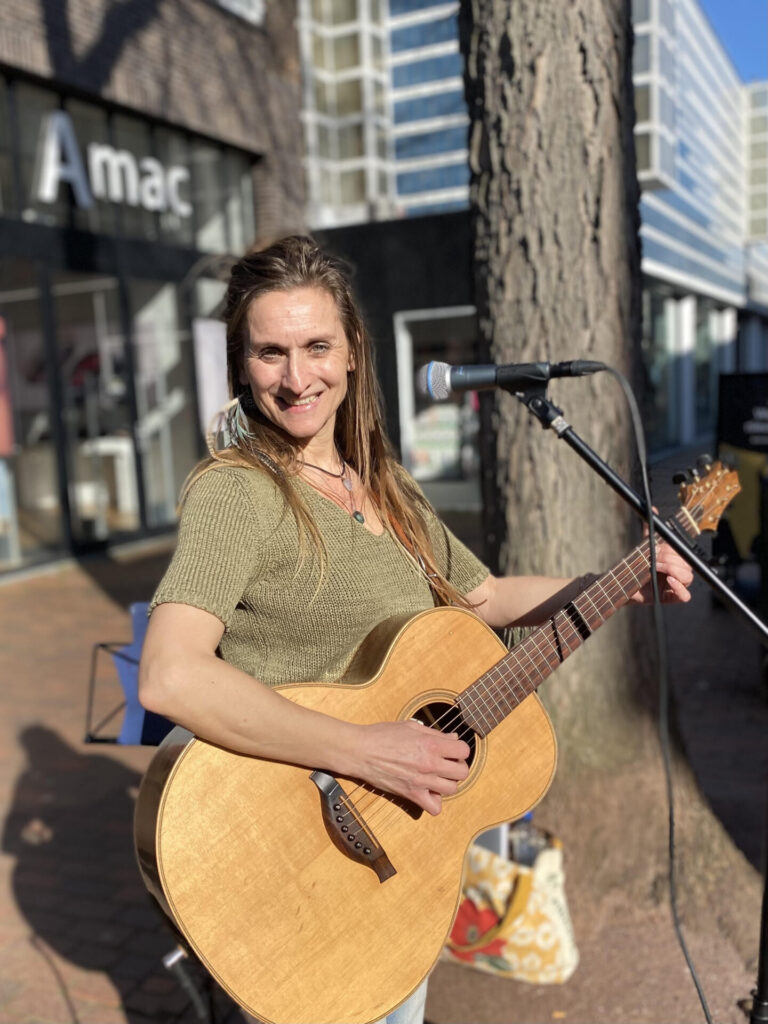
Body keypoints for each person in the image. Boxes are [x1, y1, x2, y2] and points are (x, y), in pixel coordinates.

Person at [138, 235, 693, 1024]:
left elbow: (482, 597)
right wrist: (365, 750)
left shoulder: (385, 486)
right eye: (270, 352)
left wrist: (618, 582)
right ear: (241, 363)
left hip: (399, 857)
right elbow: (171, 674)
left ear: (355, 350)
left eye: (317, 346)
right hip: (293, 851)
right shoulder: (239, 495)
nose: (297, 378)